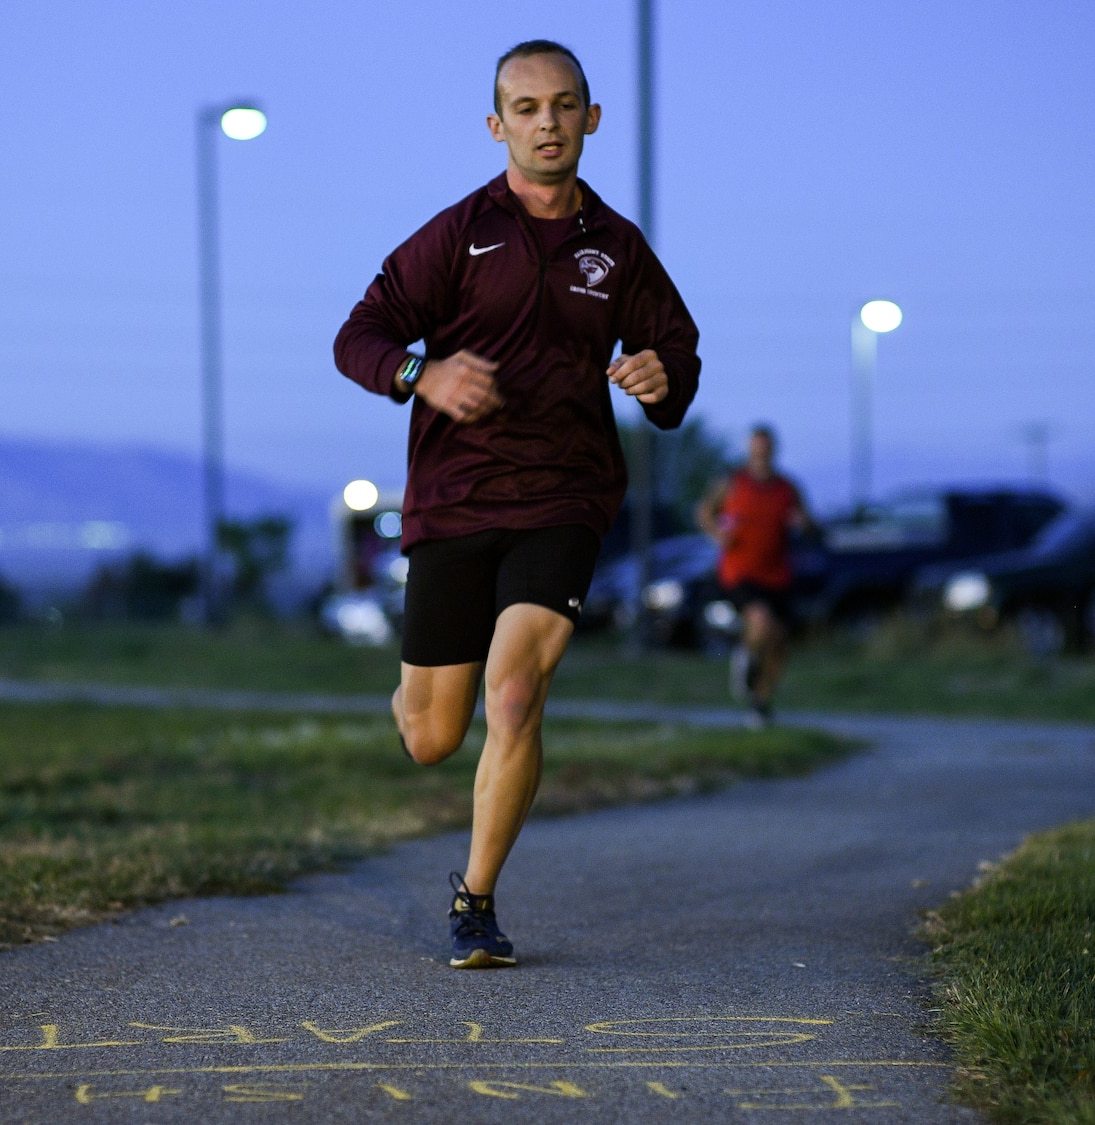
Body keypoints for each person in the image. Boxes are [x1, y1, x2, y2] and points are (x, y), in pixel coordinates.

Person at [333, 39, 701, 968]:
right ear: (498, 126)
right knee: (431, 736)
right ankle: (411, 696)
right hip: (454, 499)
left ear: (592, 119)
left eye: (566, 105)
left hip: (564, 495)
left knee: (516, 692)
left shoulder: (617, 249)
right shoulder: (459, 234)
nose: (549, 123)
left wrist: (662, 381)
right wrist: (423, 372)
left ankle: (476, 899)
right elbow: (360, 335)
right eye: (528, 109)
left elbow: (678, 361)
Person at [696, 425, 813, 726]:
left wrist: (802, 523)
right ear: (750, 451)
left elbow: (808, 521)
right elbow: (705, 512)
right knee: (760, 621)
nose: (761, 454)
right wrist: (717, 533)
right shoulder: (733, 482)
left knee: (779, 642)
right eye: (756, 449)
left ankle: (759, 703)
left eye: (766, 448)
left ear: (773, 450)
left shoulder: (787, 488)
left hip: (777, 573)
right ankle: (745, 657)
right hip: (740, 571)